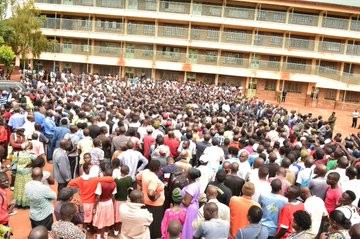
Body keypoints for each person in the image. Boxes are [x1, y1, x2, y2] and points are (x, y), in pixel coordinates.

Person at [136, 159, 165, 239]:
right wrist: (155, 197)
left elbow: (137, 178)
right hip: (155, 205)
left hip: (145, 202)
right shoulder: (154, 179)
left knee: (146, 221)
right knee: (154, 224)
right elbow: (150, 192)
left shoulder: (145, 172)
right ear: (158, 168)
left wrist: (142, 186)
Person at [92, 168, 116, 239]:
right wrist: (112, 205)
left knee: (99, 220)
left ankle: (98, 236)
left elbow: (98, 197)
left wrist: (94, 207)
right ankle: (105, 235)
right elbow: (113, 196)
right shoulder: (114, 183)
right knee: (108, 219)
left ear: (104, 174)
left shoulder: (100, 183)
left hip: (101, 204)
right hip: (109, 203)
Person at [13, 143, 36, 207]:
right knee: (27, 187)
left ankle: (18, 202)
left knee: (19, 187)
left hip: (19, 174)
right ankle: (26, 203)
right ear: (30, 148)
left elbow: (13, 163)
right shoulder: (32, 155)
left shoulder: (16, 154)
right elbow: (37, 161)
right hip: (28, 173)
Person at [180, 168, 201, 239]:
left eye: (187, 172)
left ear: (189, 176)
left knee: (187, 228)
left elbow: (186, 203)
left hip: (189, 210)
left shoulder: (190, 188)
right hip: (194, 207)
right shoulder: (196, 183)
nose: (185, 172)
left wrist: (180, 197)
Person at [113, 165, 133, 236]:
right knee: (124, 216)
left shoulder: (116, 180)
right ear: (127, 172)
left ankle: (116, 231)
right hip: (126, 200)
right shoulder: (129, 179)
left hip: (117, 200)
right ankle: (123, 231)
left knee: (117, 217)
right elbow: (130, 189)